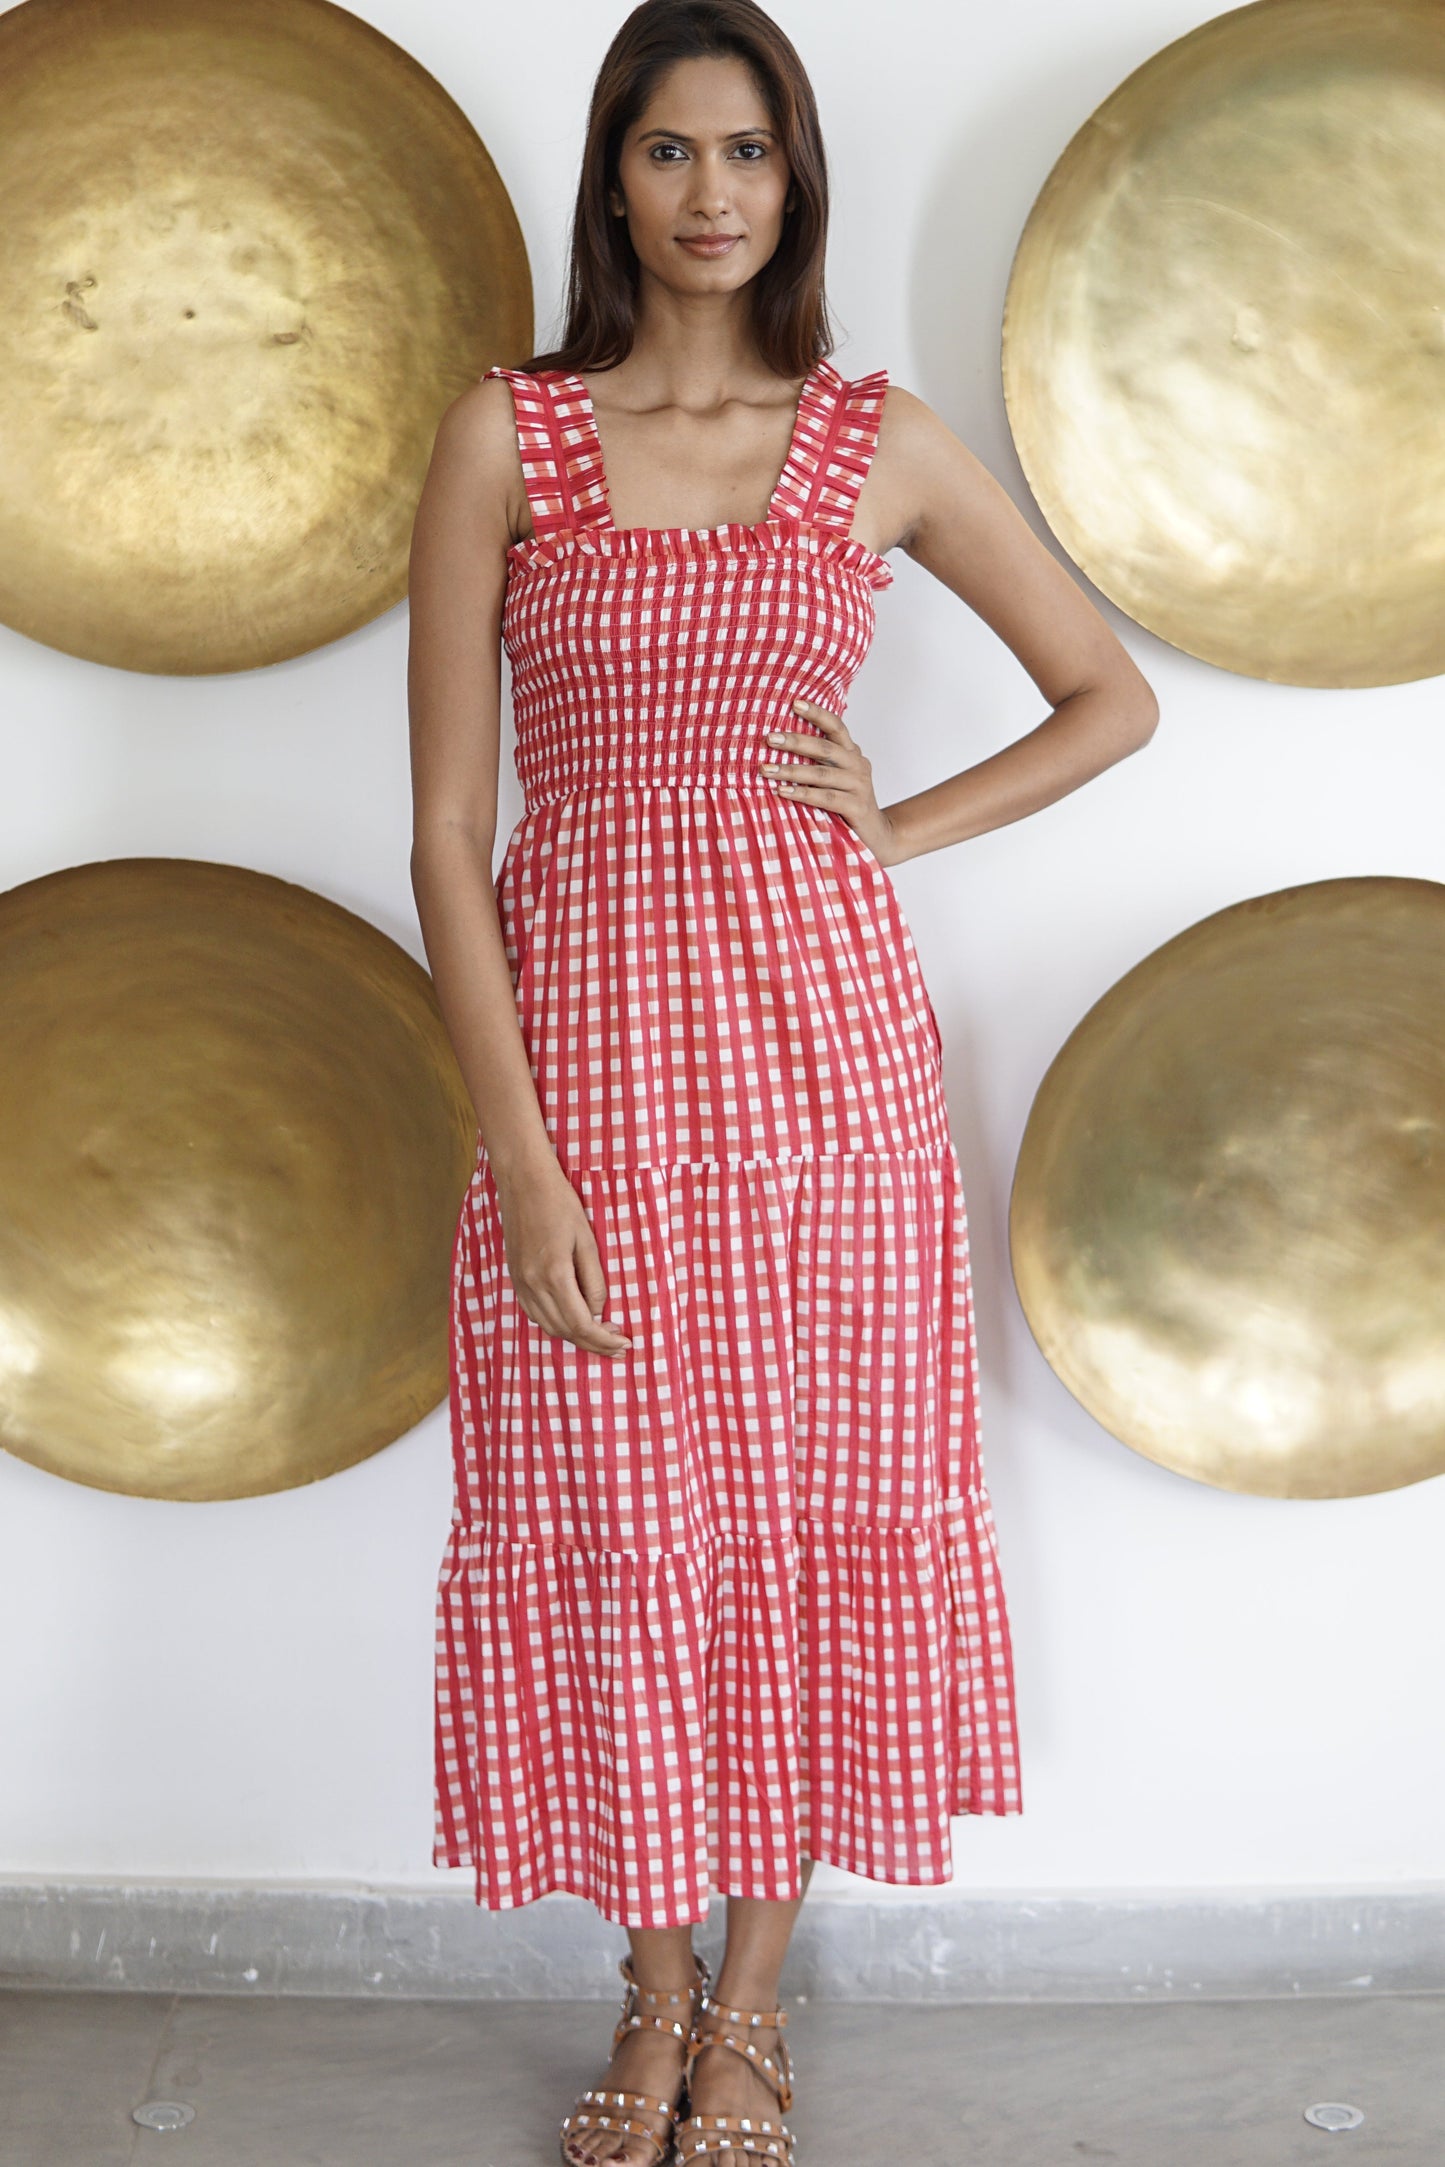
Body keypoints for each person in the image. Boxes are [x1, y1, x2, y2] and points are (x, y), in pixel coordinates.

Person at [407, 3, 1158, 2160]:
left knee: (798, 1531)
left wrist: (893, 829)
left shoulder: (875, 442)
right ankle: (642, 1992)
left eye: (748, 150)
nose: (711, 191)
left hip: (828, 1081)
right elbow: (451, 835)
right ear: (614, 180)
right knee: (623, 1517)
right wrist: (520, 1151)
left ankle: (746, 2013)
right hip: (594, 1071)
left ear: (793, 179)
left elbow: (1108, 698)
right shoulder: (510, 440)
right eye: (669, 150)